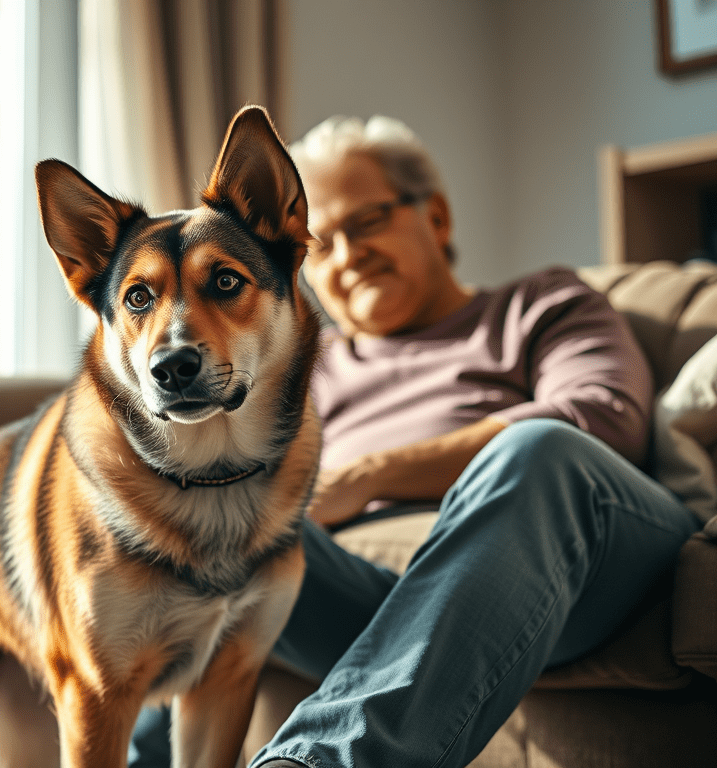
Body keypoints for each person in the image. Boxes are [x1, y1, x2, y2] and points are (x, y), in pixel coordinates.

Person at [128, 116, 704, 768]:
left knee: (539, 448)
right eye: (324, 243)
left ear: (435, 218)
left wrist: (370, 476)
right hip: (381, 602)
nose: (348, 256)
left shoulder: (540, 305)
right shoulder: (297, 368)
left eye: (367, 222)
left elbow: (604, 417)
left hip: (571, 556)